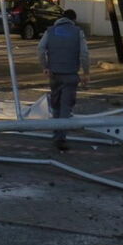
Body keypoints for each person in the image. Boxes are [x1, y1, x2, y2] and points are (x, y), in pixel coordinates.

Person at [37, 8, 90, 151]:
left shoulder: (50, 31)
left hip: (54, 74)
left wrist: (45, 66)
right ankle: (61, 138)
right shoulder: (77, 32)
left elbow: (41, 49)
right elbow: (84, 54)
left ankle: (56, 134)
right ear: (73, 20)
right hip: (71, 74)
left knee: (56, 105)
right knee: (66, 107)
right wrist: (86, 72)